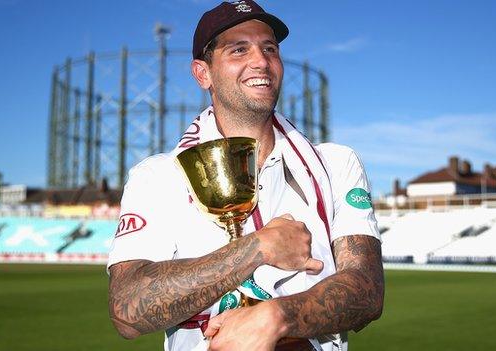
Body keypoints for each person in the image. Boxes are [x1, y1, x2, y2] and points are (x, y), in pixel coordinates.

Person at [107, 1, 384, 350]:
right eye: (239, 49)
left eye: (270, 48)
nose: (261, 61)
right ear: (202, 73)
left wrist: (276, 317)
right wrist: (256, 248)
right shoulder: (158, 176)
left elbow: (367, 289)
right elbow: (127, 310)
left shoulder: (336, 163)